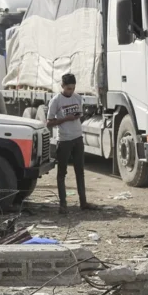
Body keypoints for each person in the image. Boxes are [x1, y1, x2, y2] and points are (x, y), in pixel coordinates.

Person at [46, 73, 98, 214]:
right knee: (62, 173)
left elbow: (79, 114)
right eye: (68, 88)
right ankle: (63, 205)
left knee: (80, 171)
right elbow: (49, 122)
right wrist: (65, 119)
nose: (71, 91)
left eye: (73, 88)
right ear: (62, 86)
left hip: (77, 138)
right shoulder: (56, 101)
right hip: (64, 140)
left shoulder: (77, 98)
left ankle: (83, 202)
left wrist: (77, 117)